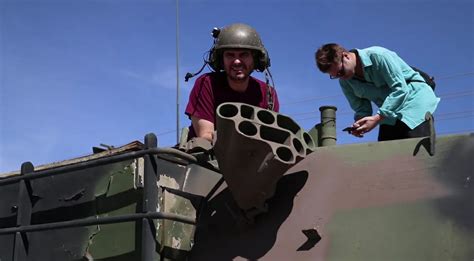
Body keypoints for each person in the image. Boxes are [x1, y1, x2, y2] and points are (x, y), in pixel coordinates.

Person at [315, 43, 440, 141]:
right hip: (389, 113)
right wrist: (359, 124)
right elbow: (361, 109)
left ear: (346, 56)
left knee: (415, 151)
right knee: (385, 155)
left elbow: (400, 90)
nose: (340, 77)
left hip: (414, 102)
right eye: (335, 76)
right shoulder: (345, 81)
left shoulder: (379, 56)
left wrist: (378, 117)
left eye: (341, 72)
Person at [185, 23, 279, 142]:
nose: (237, 61)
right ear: (221, 60)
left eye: (244, 55)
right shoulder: (206, 83)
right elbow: (206, 136)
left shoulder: (268, 93)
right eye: (230, 55)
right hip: (207, 157)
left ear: (255, 59)